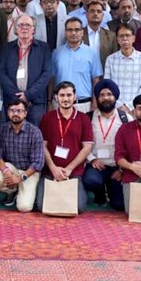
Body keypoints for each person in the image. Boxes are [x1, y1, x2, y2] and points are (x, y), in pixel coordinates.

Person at [38, 81, 93, 213]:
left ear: (75, 97)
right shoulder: (47, 118)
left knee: (78, 208)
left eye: (69, 95)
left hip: (73, 172)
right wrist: (53, 168)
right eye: (62, 95)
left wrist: (69, 169)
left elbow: (87, 148)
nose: (66, 99)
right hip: (51, 171)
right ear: (56, 97)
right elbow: (42, 145)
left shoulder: (83, 119)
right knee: (41, 206)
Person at [0, 97, 45, 211]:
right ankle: (13, 191)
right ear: (8, 113)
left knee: (24, 207)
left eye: (19, 111)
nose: (15, 114)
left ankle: (22, 191)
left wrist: (20, 177)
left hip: (29, 172)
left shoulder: (34, 132)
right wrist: (6, 172)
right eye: (12, 110)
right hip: (11, 168)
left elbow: (38, 163)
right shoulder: (2, 130)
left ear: (25, 113)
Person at [82, 79, 130, 207]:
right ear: (97, 98)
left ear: (115, 97)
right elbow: (81, 143)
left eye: (109, 94)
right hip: (96, 164)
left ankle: (111, 186)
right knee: (90, 180)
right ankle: (100, 192)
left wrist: (122, 169)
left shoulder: (125, 118)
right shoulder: (88, 118)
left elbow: (131, 146)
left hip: (118, 165)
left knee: (119, 205)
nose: (106, 98)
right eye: (102, 95)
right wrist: (92, 160)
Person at [0, 14, 53, 125]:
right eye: (21, 25)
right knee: (10, 137)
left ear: (33, 29)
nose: (24, 28)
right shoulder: (7, 48)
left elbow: (46, 74)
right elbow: (2, 73)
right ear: (16, 29)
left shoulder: (44, 48)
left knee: (34, 136)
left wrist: (28, 95)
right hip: (12, 102)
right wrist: (16, 95)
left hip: (35, 102)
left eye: (28, 25)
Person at [52, 17, 103, 113]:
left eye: (77, 29)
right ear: (65, 32)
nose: (73, 33)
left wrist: (95, 103)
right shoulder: (56, 53)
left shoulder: (91, 53)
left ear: (82, 32)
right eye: (70, 30)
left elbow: (96, 81)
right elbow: (52, 79)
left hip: (83, 105)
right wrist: (49, 102)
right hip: (59, 104)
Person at [103, 25, 141, 117]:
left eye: (128, 35)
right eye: (121, 36)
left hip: (136, 109)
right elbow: (108, 85)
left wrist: (130, 106)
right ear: (117, 39)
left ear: (133, 38)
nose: (125, 38)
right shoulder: (111, 59)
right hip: (115, 109)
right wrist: (119, 105)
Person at [81, 0, 118, 65]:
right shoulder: (79, 34)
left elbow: (115, 58)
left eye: (99, 11)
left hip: (104, 72)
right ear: (86, 14)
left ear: (103, 16)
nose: (95, 14)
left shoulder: (111, 36)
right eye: (92, 11)